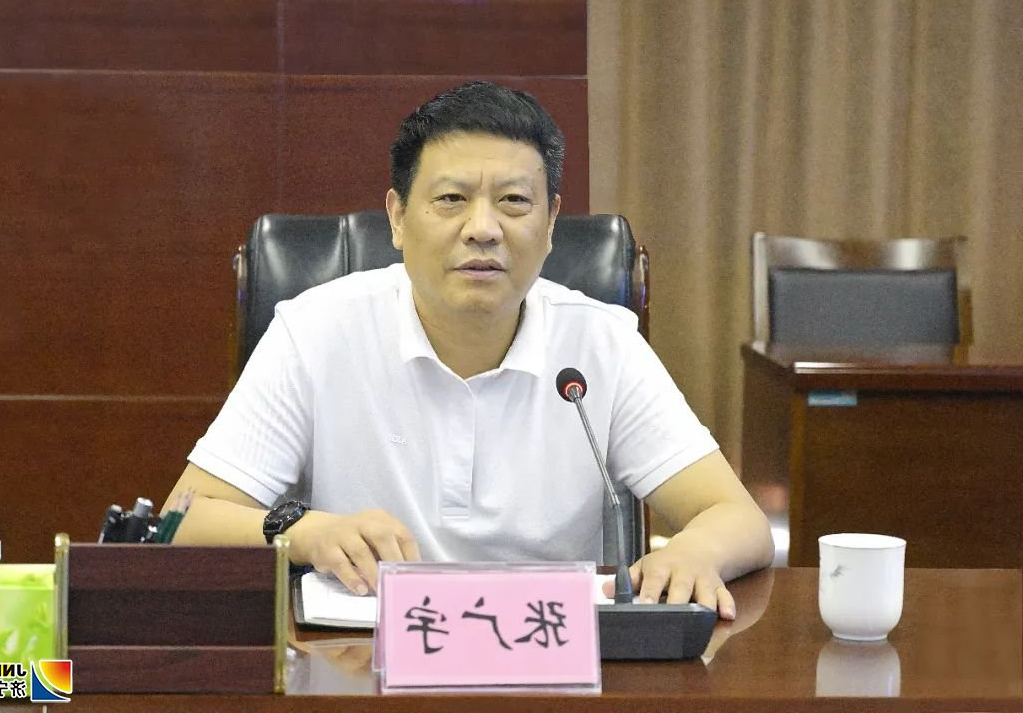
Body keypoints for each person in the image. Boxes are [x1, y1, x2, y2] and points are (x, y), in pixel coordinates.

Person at [167, 80, 773, 620]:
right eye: (451, 199)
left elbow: (739, 518)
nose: (483, 228)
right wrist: (302, 531)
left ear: (551, 223)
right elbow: (183, 521)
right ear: (398, 217)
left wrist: (695, 552)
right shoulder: (316, 331)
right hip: (359, 665)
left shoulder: (601, 343)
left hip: (548, 663)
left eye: (514, 201)